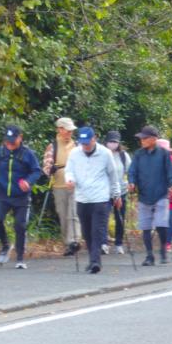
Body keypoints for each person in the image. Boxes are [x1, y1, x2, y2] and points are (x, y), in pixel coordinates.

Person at [65, 127, 122, 274]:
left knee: (97, 231)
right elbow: (69, 170)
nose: (85, 146)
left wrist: (116, 195)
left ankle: (96, 262)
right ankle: (92, 259)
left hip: (100, 198)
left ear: (94, 139)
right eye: (82, 143)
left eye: (87, 142)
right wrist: (69, 180)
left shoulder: (105, 153)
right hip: (82, 198)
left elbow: (113, 174)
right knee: (86, 232)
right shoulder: (74, 153)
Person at [0, 125, 43, 269]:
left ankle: (20, 258)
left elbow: (36, 171)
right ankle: (5, 245)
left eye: (13, 141)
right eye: (7, 141)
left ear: (20, 138)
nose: (10, 144)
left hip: (21, 197)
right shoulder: (0, 152)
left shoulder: (27, 154)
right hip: (3, 194)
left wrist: (28, 181)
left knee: (19, 225)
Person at [128, 125, 172, 266]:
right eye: (141, 138)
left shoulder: (164, 154)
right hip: (144, 194)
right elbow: (132, 171)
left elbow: (170, 172)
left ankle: (163, 250)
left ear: (154, 139)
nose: (142, 140)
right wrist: (131, 182)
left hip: (161, 194)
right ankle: (149, 255)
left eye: (145, 138)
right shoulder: (138, 154)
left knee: (161, 224)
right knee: (146, 227)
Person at [42, 117, 81, 257]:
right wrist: (50, 169)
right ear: (59, 129)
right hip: (59, 185)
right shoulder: (52, 146)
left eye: (71, 130)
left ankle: (74, 241)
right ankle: (68, 243)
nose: (69, 132)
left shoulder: (77, 145)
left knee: (74, 214)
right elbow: (46, 165)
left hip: (75, 185)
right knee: (63, 214)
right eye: (67, 130)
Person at [104, 130, 131, 254]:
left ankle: (119, 243)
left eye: (115, 142)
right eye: (110, 141)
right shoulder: (102, 154)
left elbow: (130, 171)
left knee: (120, 218)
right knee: (103, 218)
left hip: (121, 191)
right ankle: (103, 243)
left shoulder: (123, 155)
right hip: (104, 192)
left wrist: (129, 183)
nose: (112, 144)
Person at [158, 139, 172, 253]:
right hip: (157, 196)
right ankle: (163, 241)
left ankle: (167, 243)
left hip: (170, 196)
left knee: (169, 219)